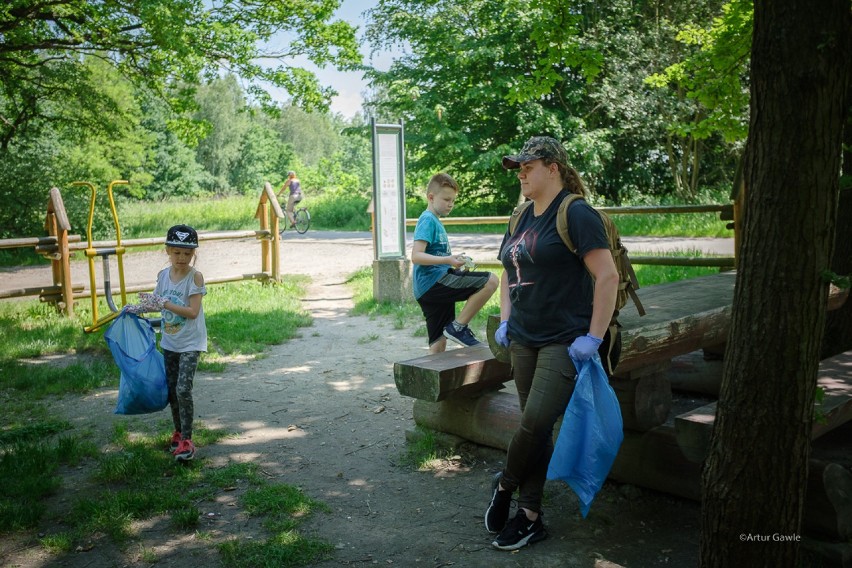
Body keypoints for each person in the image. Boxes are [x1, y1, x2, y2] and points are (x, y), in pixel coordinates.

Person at [484, 137, 620, 550]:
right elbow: (508, 271)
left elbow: (607, 276)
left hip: (565, 340)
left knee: (535, 421)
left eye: (528, 166)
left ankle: (504, 486)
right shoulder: (520, 215)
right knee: (537, 430)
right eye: (518, 168)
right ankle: (530, 516)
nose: (521, 173)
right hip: (523, 337)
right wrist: (505, 320)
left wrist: (593, 337)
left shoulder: (575, 213)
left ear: (554, 168)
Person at [127, 224, 208, 462]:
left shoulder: (195, 277)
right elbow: (155, 302)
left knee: (183, 389)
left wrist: (163, 304)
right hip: (170, 342)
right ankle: (178, 433)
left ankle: (188, 440)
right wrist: (133, 309)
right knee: (173, 391)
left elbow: (192, 312)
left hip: (191, 343)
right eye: (177, 252)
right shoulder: (163, 276)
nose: (182, 257)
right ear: (167, 251)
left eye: (187, 253)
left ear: (193, 253)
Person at [411, 173, 498, 353]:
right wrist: (448, 260)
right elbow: (416, 256)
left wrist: (454, 261)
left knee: (438, 343)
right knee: (491, 280)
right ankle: (458, 327)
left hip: (428, 288)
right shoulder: (427, 219)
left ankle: (432, 378)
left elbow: (435, 255)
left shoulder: (434, 221)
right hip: (434, 283)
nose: (451, 204)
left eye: (453, 200)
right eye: (446, 199)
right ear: (431, 197)